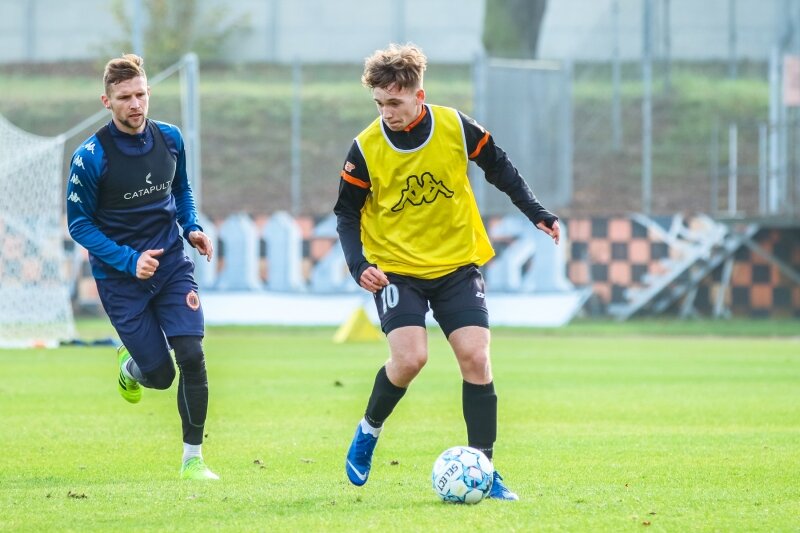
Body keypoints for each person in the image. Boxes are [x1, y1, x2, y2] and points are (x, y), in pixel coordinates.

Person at [334, 43, 560, 501]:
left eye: (394, 102)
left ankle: (484, 469)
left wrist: (535, 210)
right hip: (397, 270)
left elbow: (498, 166)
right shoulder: (365, 148)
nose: (386, 113)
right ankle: (369, 430)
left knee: (476, 358)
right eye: (379, 104)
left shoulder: (456, 126)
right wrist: (359, 265)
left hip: (456, 264)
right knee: (410, 360)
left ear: (419, 95)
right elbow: (346, 213)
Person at [66, 54, 218, 481]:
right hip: (121, 279)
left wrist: (192, 227)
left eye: (140, 94)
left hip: (171, 265)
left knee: (192, 355)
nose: (135, 104)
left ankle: (193, 460)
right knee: (160, 375)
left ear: (149, 92)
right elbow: (79, 224)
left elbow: (181, 189)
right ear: (107, 101)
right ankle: (130, 366)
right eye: (124, 98)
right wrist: (130, 260)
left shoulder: (170, 138)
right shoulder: (90, 157)